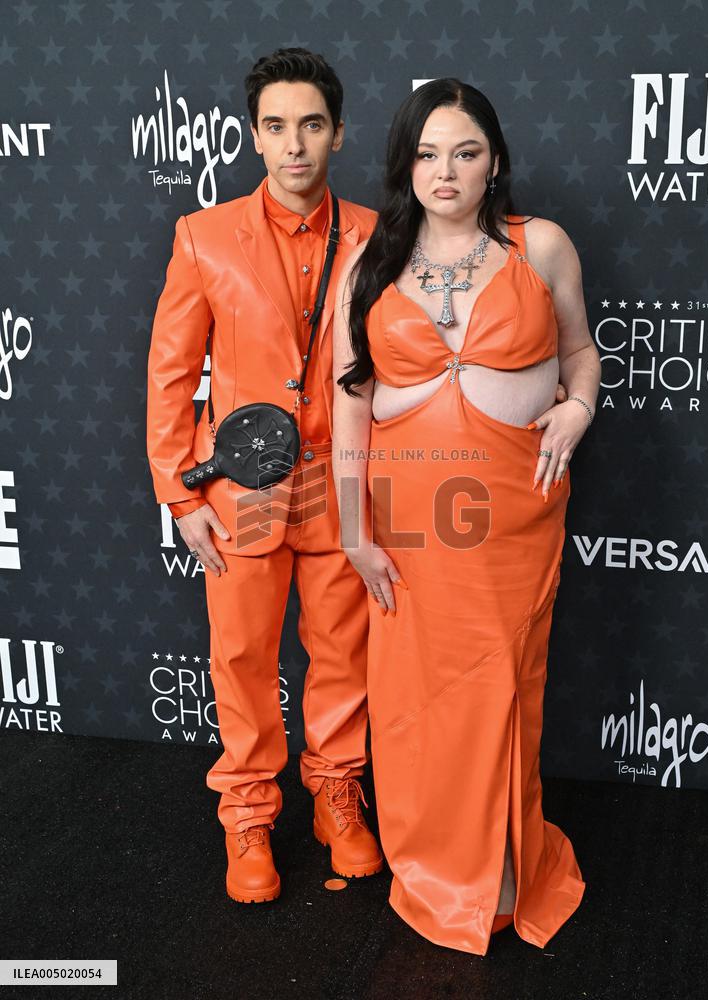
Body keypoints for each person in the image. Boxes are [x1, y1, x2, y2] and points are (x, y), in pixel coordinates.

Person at [332, 78, 600, 955]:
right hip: (413, 521)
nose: (444, 171)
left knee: (502, 688)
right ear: (403, 164)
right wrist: (355, 533)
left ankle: (507, 866)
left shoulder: (541, 246)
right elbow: (348, 407)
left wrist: (579, 407)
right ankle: (441, 864)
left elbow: (578, 351)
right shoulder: (369, 264)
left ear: (495, 162)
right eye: (425, 153)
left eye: (466, 151)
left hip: (516, 512)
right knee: (419, 700)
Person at [146, 48, 383, 905]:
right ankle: (247, 811)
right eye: (277, 126)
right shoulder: (203, 236)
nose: (295, 145)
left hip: (341, 481)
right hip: (242, 491)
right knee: (242, 657)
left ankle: (335, 792)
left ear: (338, 134)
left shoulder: (375, 233)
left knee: (342, 654)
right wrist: (179, 492)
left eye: (312, 125)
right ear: (253, 136)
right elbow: (172, 374)